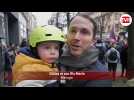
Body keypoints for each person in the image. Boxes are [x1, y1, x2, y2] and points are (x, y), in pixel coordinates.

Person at [59, 13, 112, 87]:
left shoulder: (101, 75)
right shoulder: (54, 61)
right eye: (73, 31)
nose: (76, 37)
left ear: (93, 41)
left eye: (84, 32)